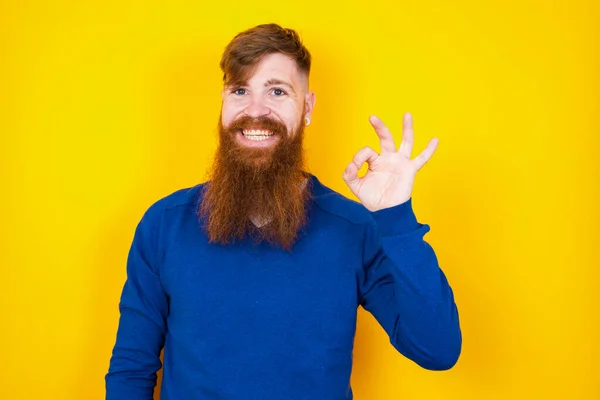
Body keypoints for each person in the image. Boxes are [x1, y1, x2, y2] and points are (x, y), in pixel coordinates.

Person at [106, 23, 462, 400]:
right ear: (223, 102)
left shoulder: (355, 228)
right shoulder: (164, 224)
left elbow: (436, 349)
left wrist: (395, 218)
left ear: (306, 107)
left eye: (277, 91)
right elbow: (131, 370)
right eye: (240, 90)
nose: (255, 110)